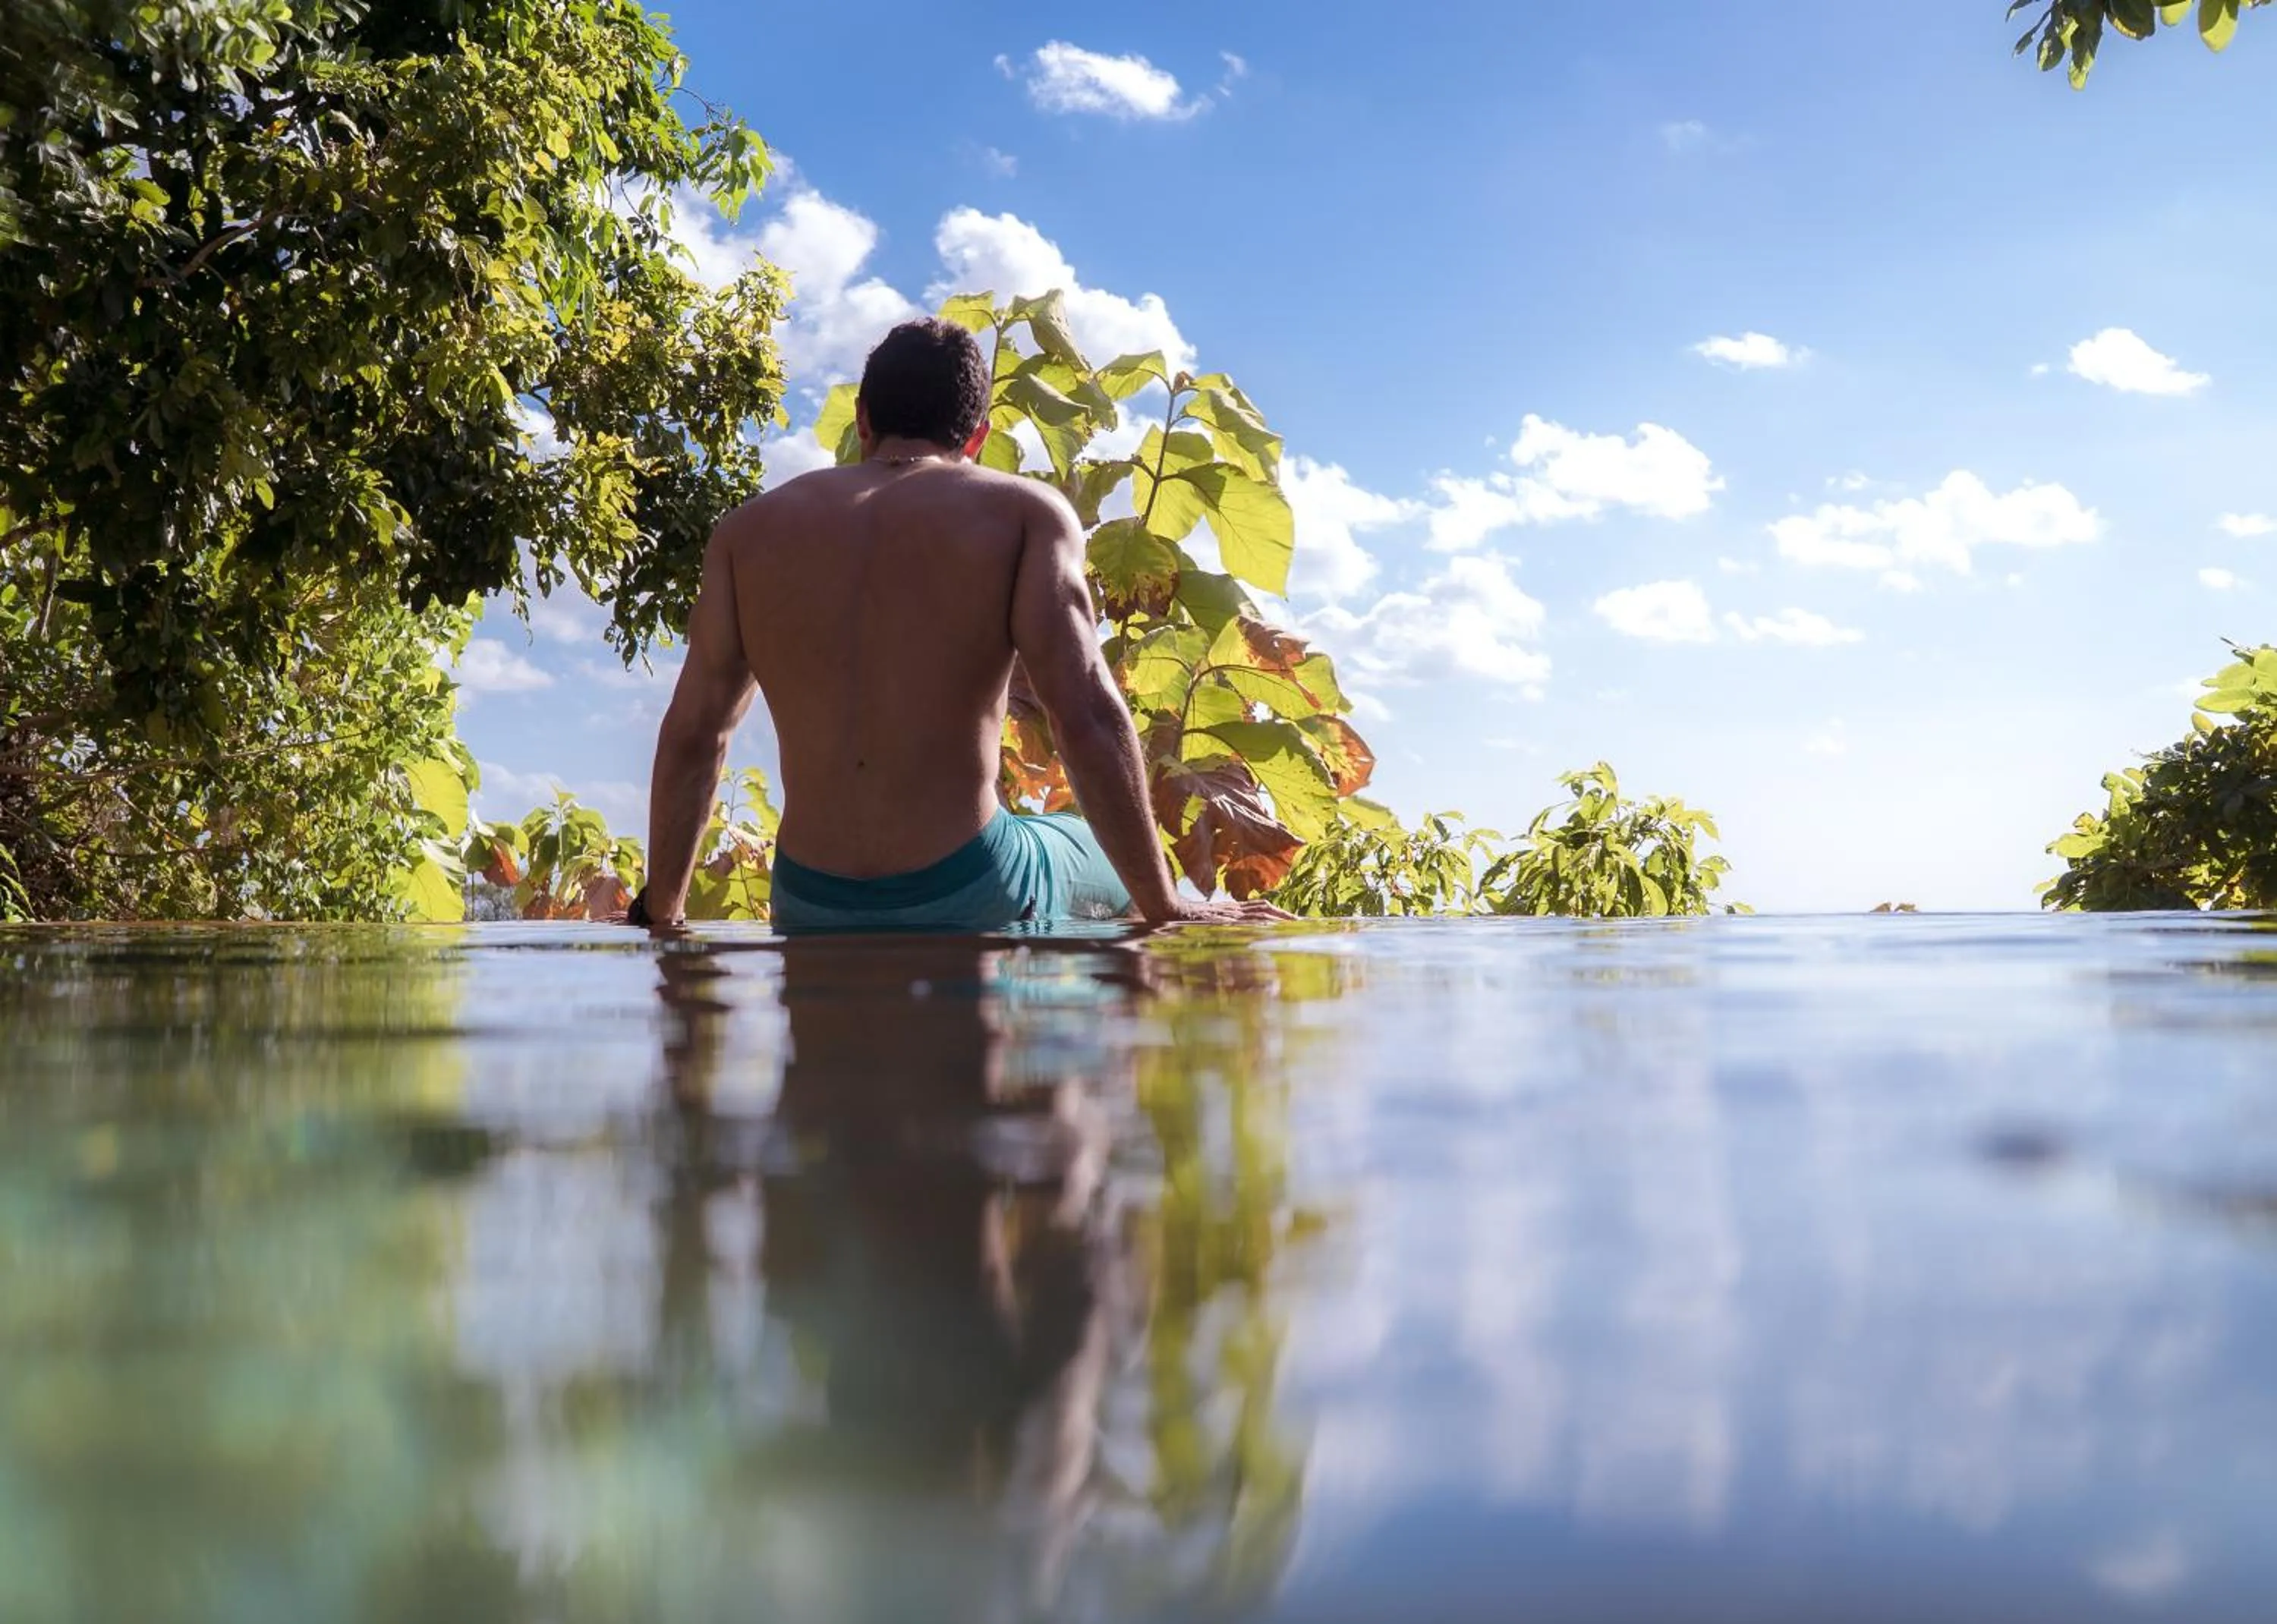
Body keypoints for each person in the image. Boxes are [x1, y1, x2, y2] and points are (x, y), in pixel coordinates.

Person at [626, 316, 1291, 933]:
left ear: (863, 420)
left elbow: (696, 734)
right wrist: (1165, 906)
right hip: (967, 887)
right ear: (976, 436)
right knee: (1082, 843)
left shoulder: (747, 533)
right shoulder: (1023, 514)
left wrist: (662, 912)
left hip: (808, 899)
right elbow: (1084, 713)